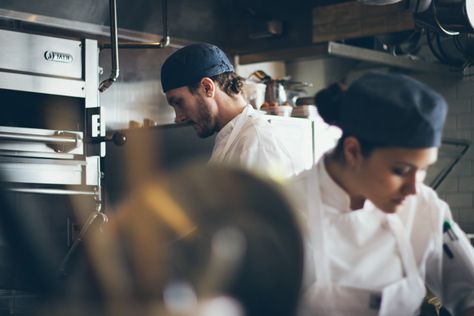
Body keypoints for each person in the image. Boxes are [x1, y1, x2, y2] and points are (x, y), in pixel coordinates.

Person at [290, 72, 474, 316]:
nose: (413, 189)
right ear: (353, 151)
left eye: (423, 170)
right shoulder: (284, 209)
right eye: (400, 170)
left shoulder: (424, 206)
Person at [160, 43, 296, 178]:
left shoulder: (257, 142)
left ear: (207, 88)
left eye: (179, 103)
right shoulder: (230, 137)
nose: (178, 118)